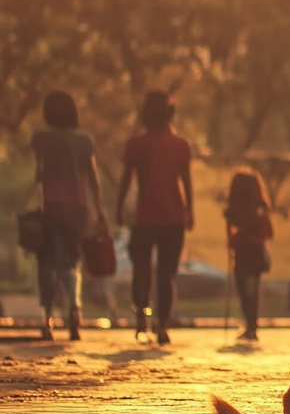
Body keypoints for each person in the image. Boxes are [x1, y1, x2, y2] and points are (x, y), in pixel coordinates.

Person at [116, 91, 193, 346]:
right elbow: (186, 181)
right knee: (166, 274)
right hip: (173, 217)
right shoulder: (181, 145)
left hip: (145, 218)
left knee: (141, 270)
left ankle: (141, 316)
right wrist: (190, 210)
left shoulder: (136, 144)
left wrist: (119, 207)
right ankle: (162, 324)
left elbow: (127, 179)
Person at [30, 91, 107, 341]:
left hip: (50, 207)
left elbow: (38, 176)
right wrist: (100, 211)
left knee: (48, 262)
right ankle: (74, 308)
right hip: (77, 207)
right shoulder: (85, 140)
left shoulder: (41, 138)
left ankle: (47, 317)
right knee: (72, 260)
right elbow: (94, 179)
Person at [224, 168, 273, 342]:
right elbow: (268, 232)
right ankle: (251, 325)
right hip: (254, 252)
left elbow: (231, 234)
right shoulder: (259, 207)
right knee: (252, 290)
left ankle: (251, 325)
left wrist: (236, 237)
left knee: (246, 290)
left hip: (245, 253)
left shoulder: (241, 210)